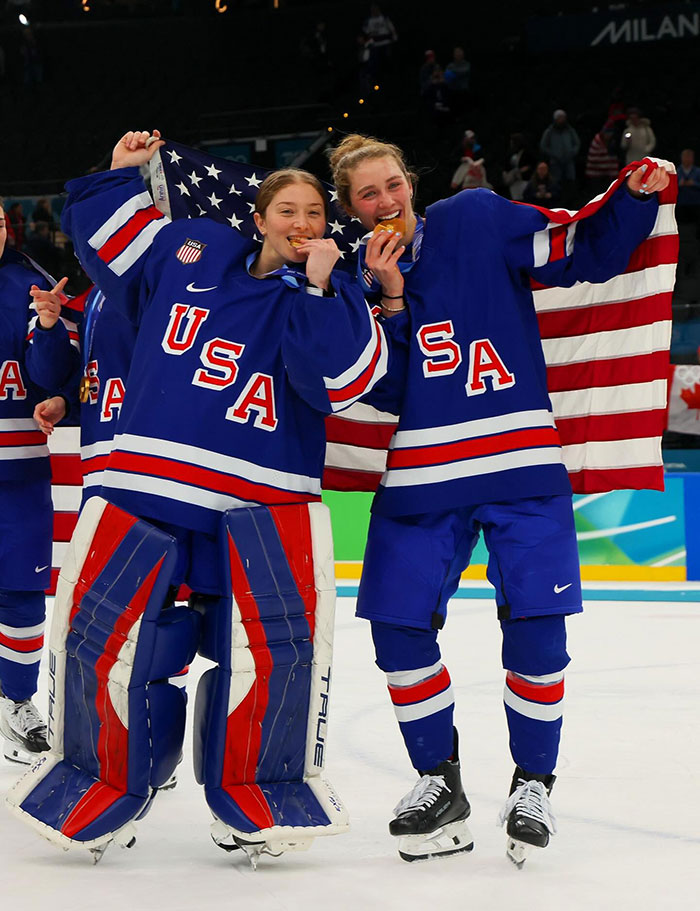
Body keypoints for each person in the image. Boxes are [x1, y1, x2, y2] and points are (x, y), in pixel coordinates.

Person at [10, 130, 391, 862]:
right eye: (287, 208)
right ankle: (108, 782)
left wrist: (320, 285)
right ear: (259, 217)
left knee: (258, 653)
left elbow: (339, 382)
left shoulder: (335, 294)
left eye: (314, 211)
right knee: (121, 647)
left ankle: (254, 793)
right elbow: (114, 249)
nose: (302, 222)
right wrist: (120, 174)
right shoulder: (194, 250)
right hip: (150, 484)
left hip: (263, 504)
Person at [328, 133, 668, 865]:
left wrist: (635, 201)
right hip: (422, 474)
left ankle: (532, 782)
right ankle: (437, 780)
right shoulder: (356, 274)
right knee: (396, 629)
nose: (385, 201)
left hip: (519, 463)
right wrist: (388, 297)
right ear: (350, 208)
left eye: (392, 184)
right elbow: (381, 391)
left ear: (409, 181)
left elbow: (582, 255)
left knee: (540, 631)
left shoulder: (475, 218)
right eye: (367, 194)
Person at [0, 200, 76, 765]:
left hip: (19, 469)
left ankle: (16, 699)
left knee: (23, 592)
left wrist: (48, 326)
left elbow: (54, 377)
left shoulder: (34, 286)